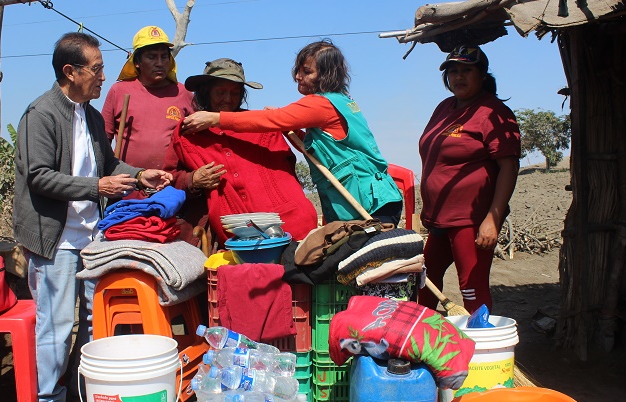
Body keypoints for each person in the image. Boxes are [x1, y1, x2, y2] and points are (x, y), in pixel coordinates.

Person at [13, 32, 172, 402]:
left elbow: (107, 163)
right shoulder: (41, 115)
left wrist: (137, 176)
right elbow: (39, 177)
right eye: (97, 69)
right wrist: (97, 188)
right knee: (57, 322)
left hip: (89, 235)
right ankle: (47, 400)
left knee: (90, 320)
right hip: (56, 238)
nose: (104, 77)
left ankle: (81, 385)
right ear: (71, 71)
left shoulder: (90, 115)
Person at [181, 39, 402, 225]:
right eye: (298, 69)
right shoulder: (341, 100)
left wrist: (215, 118)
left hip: (368, 202)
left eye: (307, 72)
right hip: (374, 197)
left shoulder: (321, 105)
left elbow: (274, 119)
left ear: (326, 74)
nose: (298, 76)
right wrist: (292, 132)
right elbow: (320, 149)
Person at [164, 58, 318, 244]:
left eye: (235, 93)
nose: (228, 99)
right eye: (220, 92)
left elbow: (287, 172)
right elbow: (167, 179)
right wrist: (193, 180)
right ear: (205, 92)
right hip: (226, 233)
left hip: (283, 225)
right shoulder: (189, 132)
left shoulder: (260, 126)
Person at [416, 46, 521, 314]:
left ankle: (483, 348)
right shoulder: (444, 108)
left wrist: (493, 219)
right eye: (453, 71)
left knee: (471, 285)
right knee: (424, 283)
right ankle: (425, 345)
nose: (458, 77)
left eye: (466, 70)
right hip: (439, 218)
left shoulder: (493, 112)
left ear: (483, 75)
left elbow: (509, 167)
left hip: (471, 219)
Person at [101, 25, 194, 200]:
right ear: (137, 62)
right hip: (127, 190)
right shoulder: (119, 91)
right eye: (152, 57)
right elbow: (101, 143)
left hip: (170, 191)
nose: (160, 63)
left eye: (164, 56)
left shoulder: (184, 93)